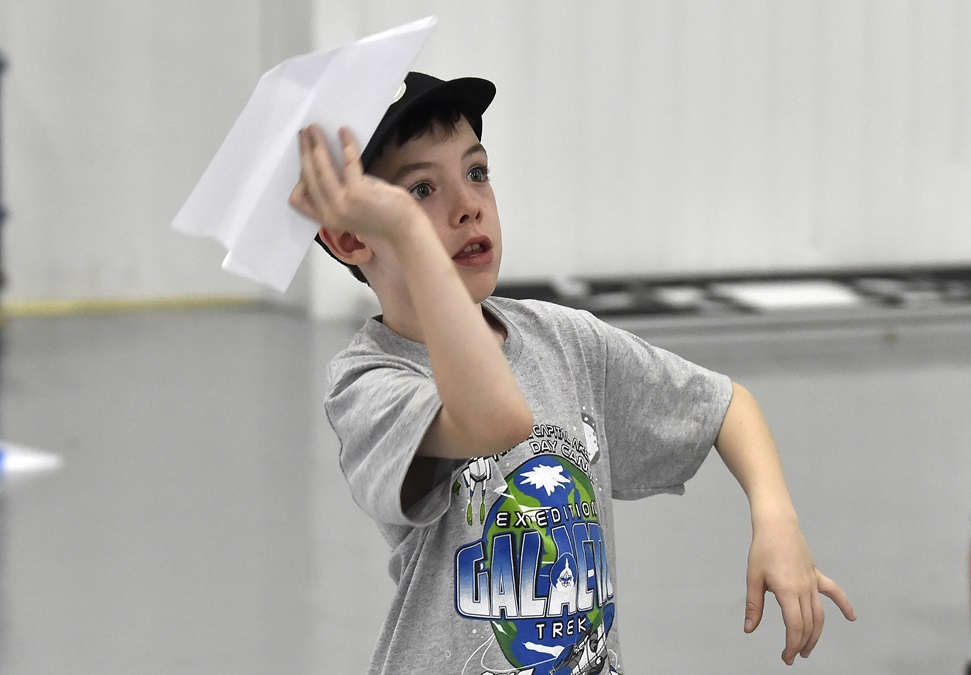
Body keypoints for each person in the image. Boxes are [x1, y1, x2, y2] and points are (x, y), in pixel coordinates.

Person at [289, 72, 856, 675]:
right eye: (421, 190)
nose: (468, 205)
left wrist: (776, 521)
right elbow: (495, 420)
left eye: (476, 172)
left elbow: (726, 405)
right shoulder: (369, 382)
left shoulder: (564, 341)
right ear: (351, 238)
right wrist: (405, 228)